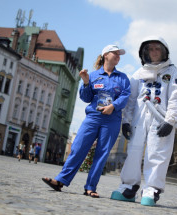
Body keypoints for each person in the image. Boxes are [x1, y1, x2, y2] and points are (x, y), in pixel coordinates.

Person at [42, 44, 130, 197]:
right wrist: (86, 82)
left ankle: (90, 188)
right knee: (78, 148)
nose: (118, 56)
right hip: (93, 118)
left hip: (112, 120)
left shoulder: (122, 78)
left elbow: (125, 96)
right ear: (105, 55)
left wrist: (113, 106)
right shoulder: (94, 75)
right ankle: (60, 181)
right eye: (115, 53)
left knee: (102, 154)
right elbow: (86, 98)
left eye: (119, 54)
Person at [111, 36, 177, 206]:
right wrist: (126, 121)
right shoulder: (139, 74)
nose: (153, 52)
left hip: (161, 119)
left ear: (164, 51)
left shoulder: (174, 73)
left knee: (157, 153)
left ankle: (152, 189)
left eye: (157, 49)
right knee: (133, 151)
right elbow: (131, 99)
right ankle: (128, 187)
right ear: (144, 52)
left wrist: (170, 121)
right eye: (150, 49)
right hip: (139, 119)